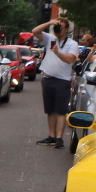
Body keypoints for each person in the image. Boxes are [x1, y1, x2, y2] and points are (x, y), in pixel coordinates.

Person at [31, 18, 79, 148]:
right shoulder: (51, 39)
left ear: (67, 30)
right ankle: (51, 136)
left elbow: (70, 60)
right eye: (56, 28)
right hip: (48, 79)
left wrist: (57, 53)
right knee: (50, 110)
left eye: (61, 27)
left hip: (62, 80)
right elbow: (35, 31)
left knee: (60, 110)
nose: (58, 30)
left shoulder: (72, 44)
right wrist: (49, 23)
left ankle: (59, 138)